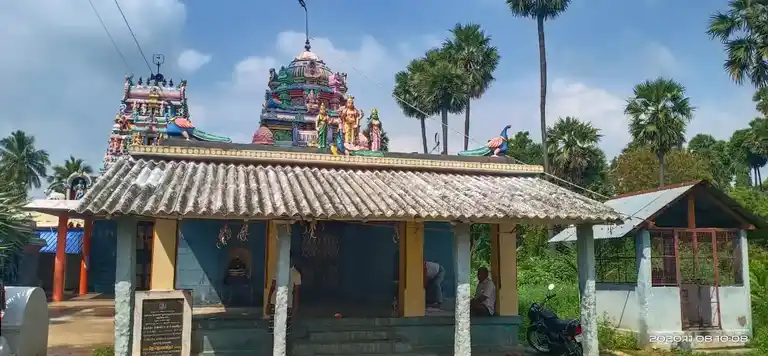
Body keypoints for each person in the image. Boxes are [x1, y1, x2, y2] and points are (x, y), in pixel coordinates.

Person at [267, 258, 302, 334]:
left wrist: (295, 307)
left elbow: (296, 292)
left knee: (283, 327)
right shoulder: (279, 271)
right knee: (276, 327)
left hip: (286, 302)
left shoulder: (296, 274)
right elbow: (272, 287)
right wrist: (268, 302)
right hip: (276, 301)